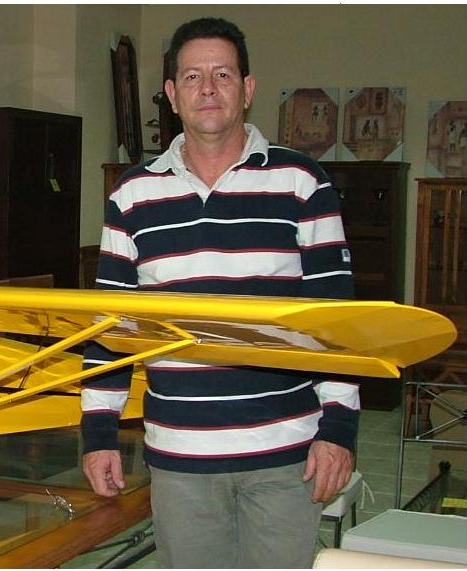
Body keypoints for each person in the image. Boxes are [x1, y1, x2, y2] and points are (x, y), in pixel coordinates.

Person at [80, 17, 358, 568]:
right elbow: (111, 326)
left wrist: (340, 428)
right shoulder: (132, 195)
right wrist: (99, 433)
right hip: (180, 455)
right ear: (172, 95)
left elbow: (338, 319)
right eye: (192, 76)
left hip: (287, 453)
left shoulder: (303, 183)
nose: (207, 88)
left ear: (247, 89)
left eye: (223, 74)